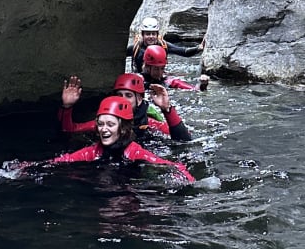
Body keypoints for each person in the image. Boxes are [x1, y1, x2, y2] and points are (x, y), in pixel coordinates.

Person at [16, 96, 195, 183]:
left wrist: (187, 179)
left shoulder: (135, 151)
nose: (104, 129)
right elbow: (63, 160)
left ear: (123, 128)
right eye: (100, 124)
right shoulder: (93, 151)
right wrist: (29, 166)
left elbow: (170, 164)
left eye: (110, 124)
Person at [58, 73, 192, 141]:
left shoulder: (150, 124)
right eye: (119, 95)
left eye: (128, 95)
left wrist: (166, 109)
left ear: (139, 99)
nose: (122, 100)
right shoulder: (103, 124)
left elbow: (184, 140)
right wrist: (67, 106)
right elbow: (69, 130)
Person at [126, 16, 204, 73]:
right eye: (148, 34)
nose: (151, 37)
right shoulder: (135, 48)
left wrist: (198, 48)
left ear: (157, 35)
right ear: (142, 35)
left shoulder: (163, 45)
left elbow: (184, 52)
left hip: (157, 77)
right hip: (140, 77)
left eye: (153, 34)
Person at [141, 44, 209, 91]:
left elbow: (194, 90)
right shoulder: (139, 80)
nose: (159, 72)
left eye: (162, 68)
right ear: (147, 67)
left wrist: (203, 85)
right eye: (156, 69)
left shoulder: (168, 81)